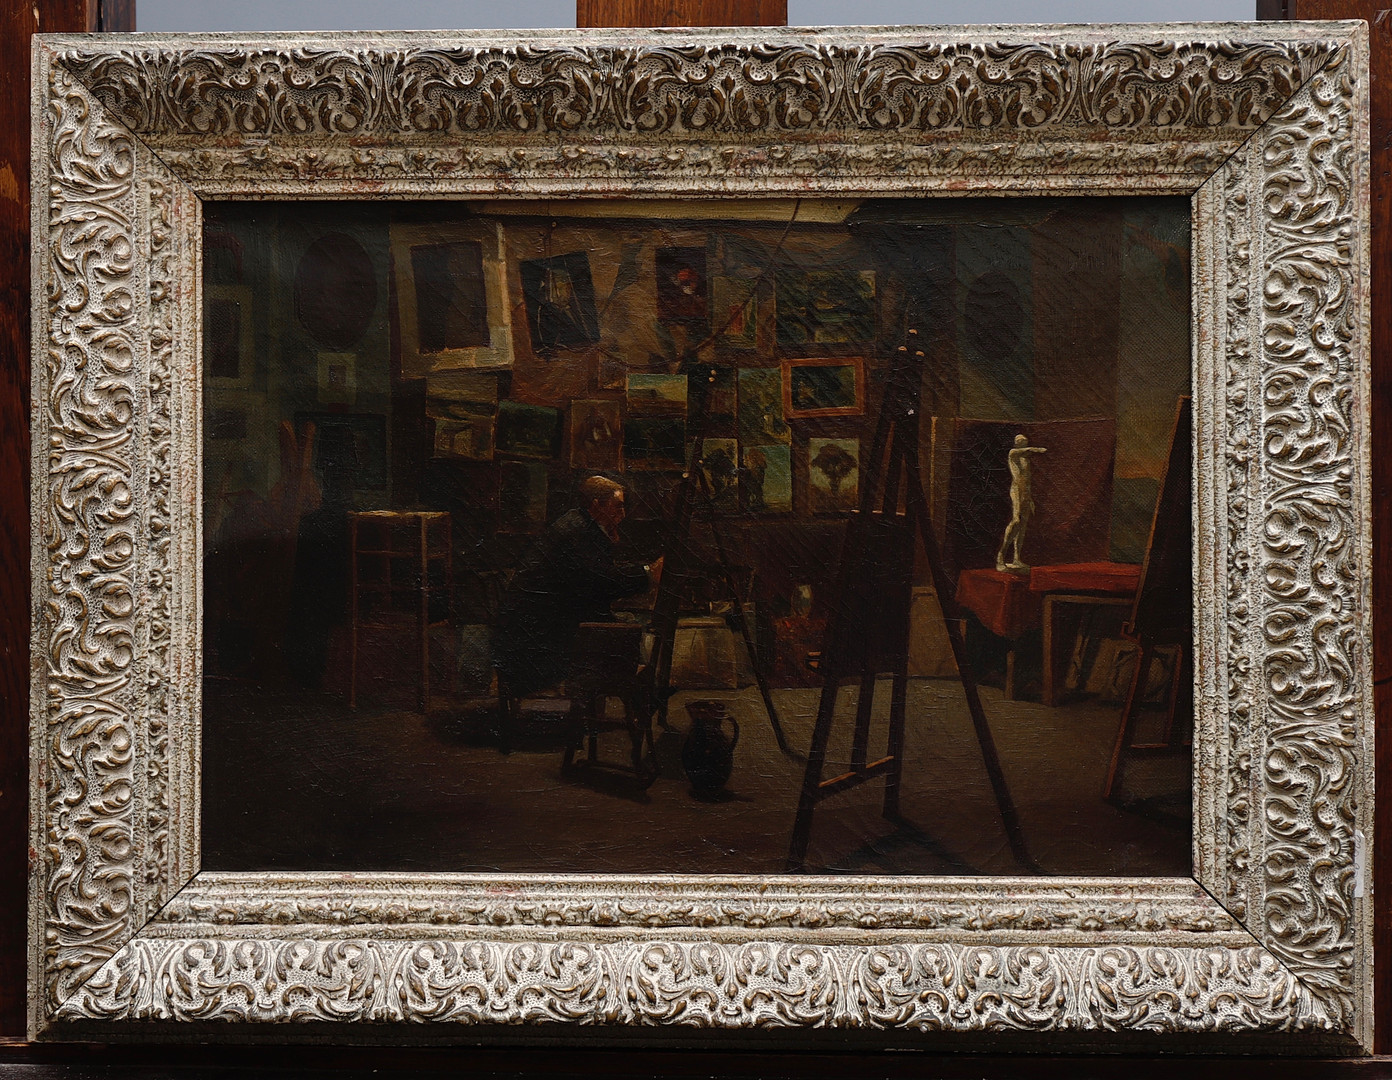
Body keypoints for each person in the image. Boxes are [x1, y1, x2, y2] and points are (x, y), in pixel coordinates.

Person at [493, 476, 661, 698]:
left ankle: (638, 693)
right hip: (538, 639)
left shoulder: (580, 523)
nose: (622, 513)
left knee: (624, 626)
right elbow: (600, 582)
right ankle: (638, 695)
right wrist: (649, 573)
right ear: (597, 505)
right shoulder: (579, 531)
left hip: (542, 626)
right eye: (617, 506)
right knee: (628, 632)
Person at [995, 433, 1047, 572]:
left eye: (1024, 440)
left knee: (1023, 525)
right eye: (1020, 440)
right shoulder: (1013, 453)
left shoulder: (1025, 460)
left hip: (1025, 493)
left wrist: (1029, 499)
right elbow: (1028, 450)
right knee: (1016, 520)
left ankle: (1016, 558)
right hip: (1016, 490)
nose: (1023, 442)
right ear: (1016, 443)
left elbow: (1027, 481)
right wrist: (1038, 449)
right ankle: (1001, 555)